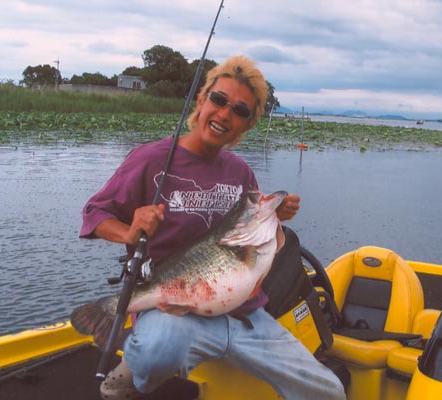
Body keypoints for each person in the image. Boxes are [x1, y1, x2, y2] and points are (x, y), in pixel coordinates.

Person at [80, 55, 346, 400]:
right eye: (219, 100)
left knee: (329, 392)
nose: (224, 114)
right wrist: (129, 232)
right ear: (202, 100)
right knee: (156, 349)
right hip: (173, 312)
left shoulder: (240, 172)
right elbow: (95, 213)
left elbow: (259, 239)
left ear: (247, 125)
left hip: (247, 319)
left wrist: (273, 217)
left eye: (240, 110)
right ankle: (130, 376)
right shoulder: (150, 159)